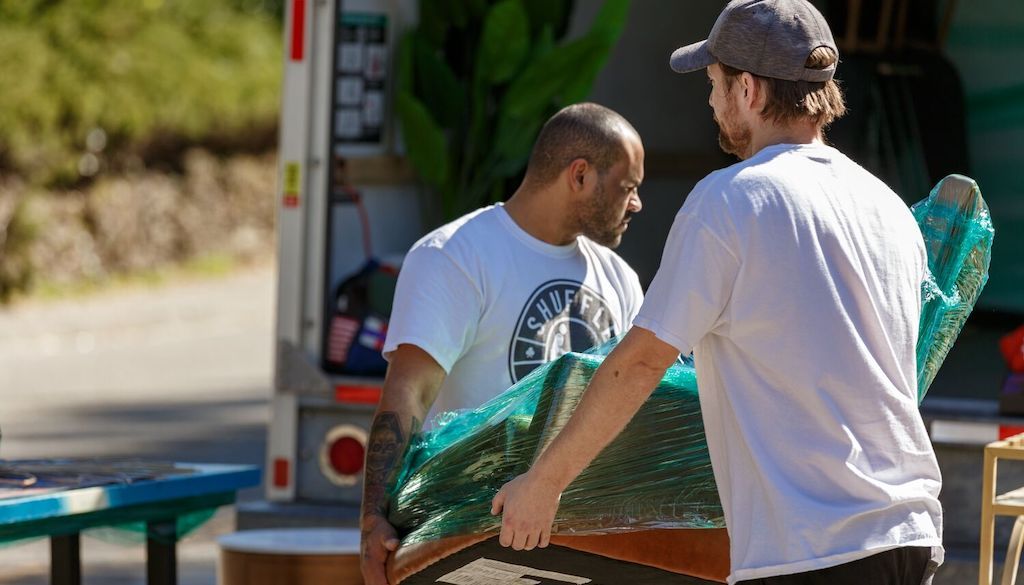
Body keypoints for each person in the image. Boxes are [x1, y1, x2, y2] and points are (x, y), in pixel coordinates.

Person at [491, 2, 943, 584]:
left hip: (813, 551)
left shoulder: (731, 200)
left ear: (749, 91)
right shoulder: (887, 206)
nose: (709, 103)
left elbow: (642, 363)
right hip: (909, 535)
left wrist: (543, 483)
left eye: (714, 85)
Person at [360, 102, 646, 585]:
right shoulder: (454, 256)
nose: (636, 203)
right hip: (471, 538)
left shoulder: (620, 279)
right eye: (627, 187)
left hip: (584, 543)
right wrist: (373, 518)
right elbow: (407, 395)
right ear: (579, 176)